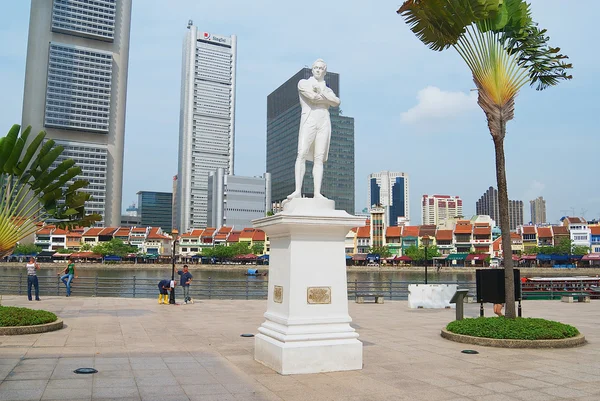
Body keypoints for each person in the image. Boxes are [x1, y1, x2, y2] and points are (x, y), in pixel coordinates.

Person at [286, 59, 340, 201]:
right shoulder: (304, 83)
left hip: (324, 121)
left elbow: (337, 102)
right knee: (302, 153)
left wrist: (324, 96)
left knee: (319, 158)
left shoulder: (327, 88)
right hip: (309, 119)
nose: (318, 70)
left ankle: (317, 193)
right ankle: (297, 190)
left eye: (321, 68)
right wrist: (326, 99)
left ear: (325, 71)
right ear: (312, 69)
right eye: (315, 67)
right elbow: (313, 98)